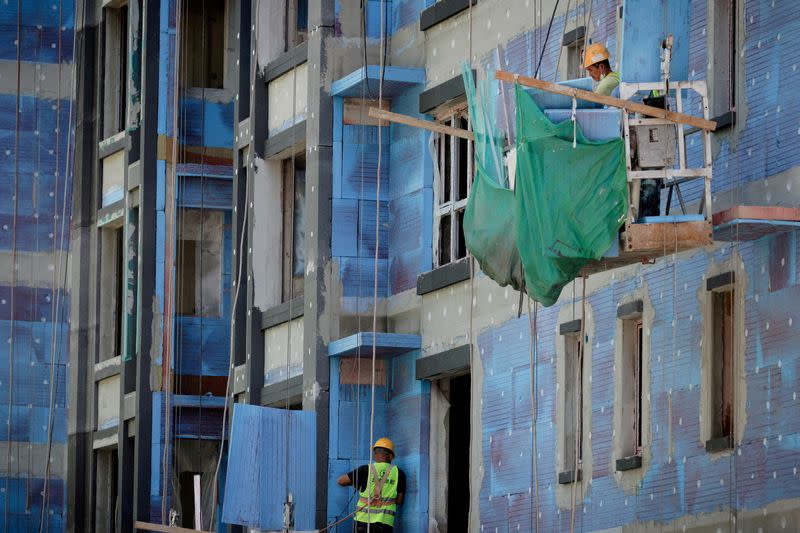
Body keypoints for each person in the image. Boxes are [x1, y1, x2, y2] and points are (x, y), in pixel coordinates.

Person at [337, 437, 406, 533]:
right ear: (391, 456)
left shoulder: (365, 470)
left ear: (375, 455)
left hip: (362, 522)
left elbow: (341, 481)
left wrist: (357, 483)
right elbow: (399, 501)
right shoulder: (399, 473)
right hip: (385, 524)